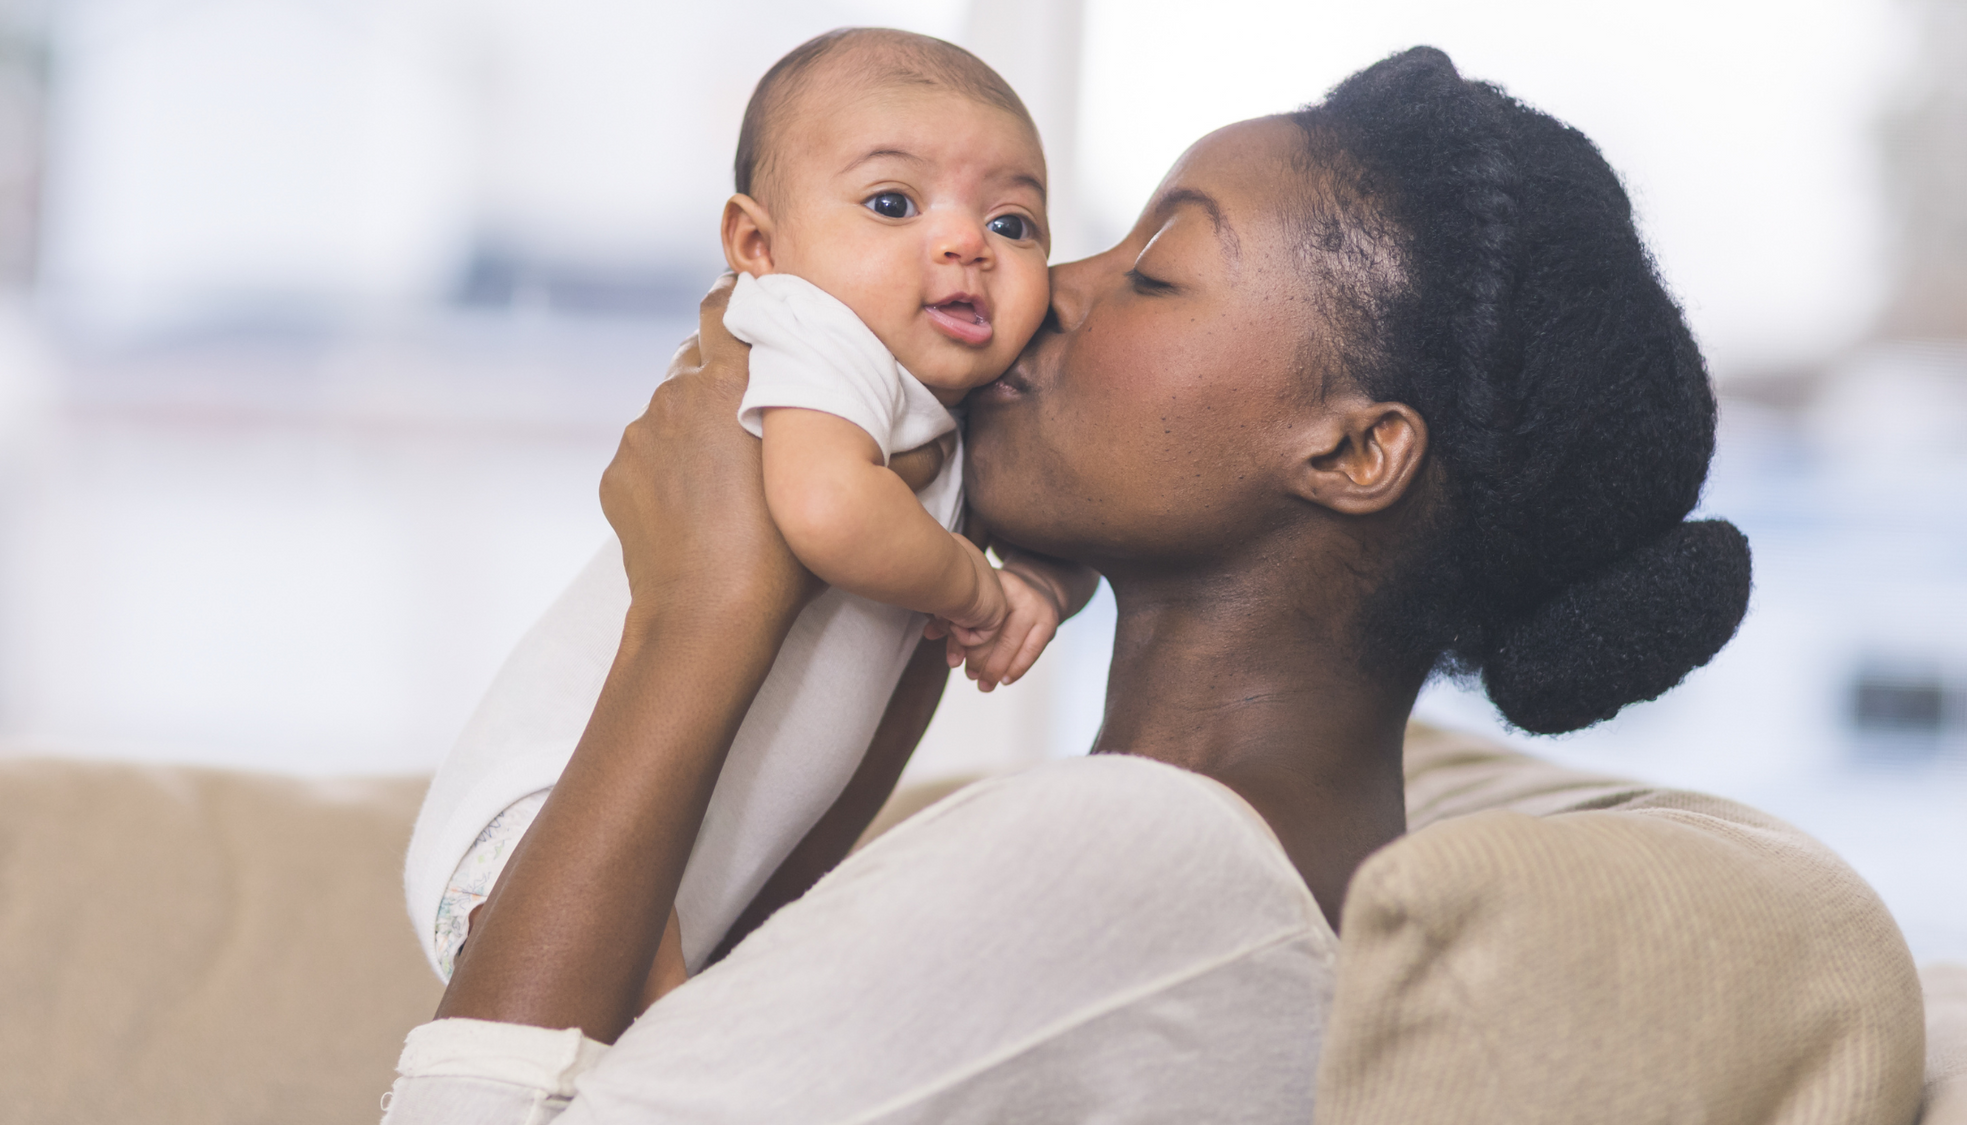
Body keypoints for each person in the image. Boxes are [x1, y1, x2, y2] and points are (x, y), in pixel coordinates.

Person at [383, 46, 1753, 1124]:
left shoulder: (1147, 861)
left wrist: (696, 618)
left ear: (1352, 449)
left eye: (1156, 271)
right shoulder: (1231, 873)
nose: (1051, 290)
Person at [403, 28, 1097, 990]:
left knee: (678, 1055)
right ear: (758, 246)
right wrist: (985, 595)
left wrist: (1049, 584)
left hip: (697, 855)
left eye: (1015, 224)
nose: (965, 243)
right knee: (643, 1057)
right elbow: (828, 508)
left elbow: (1083, 515)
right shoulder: (812, 328)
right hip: (543, 813)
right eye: (892, 203)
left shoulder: (960, 399)